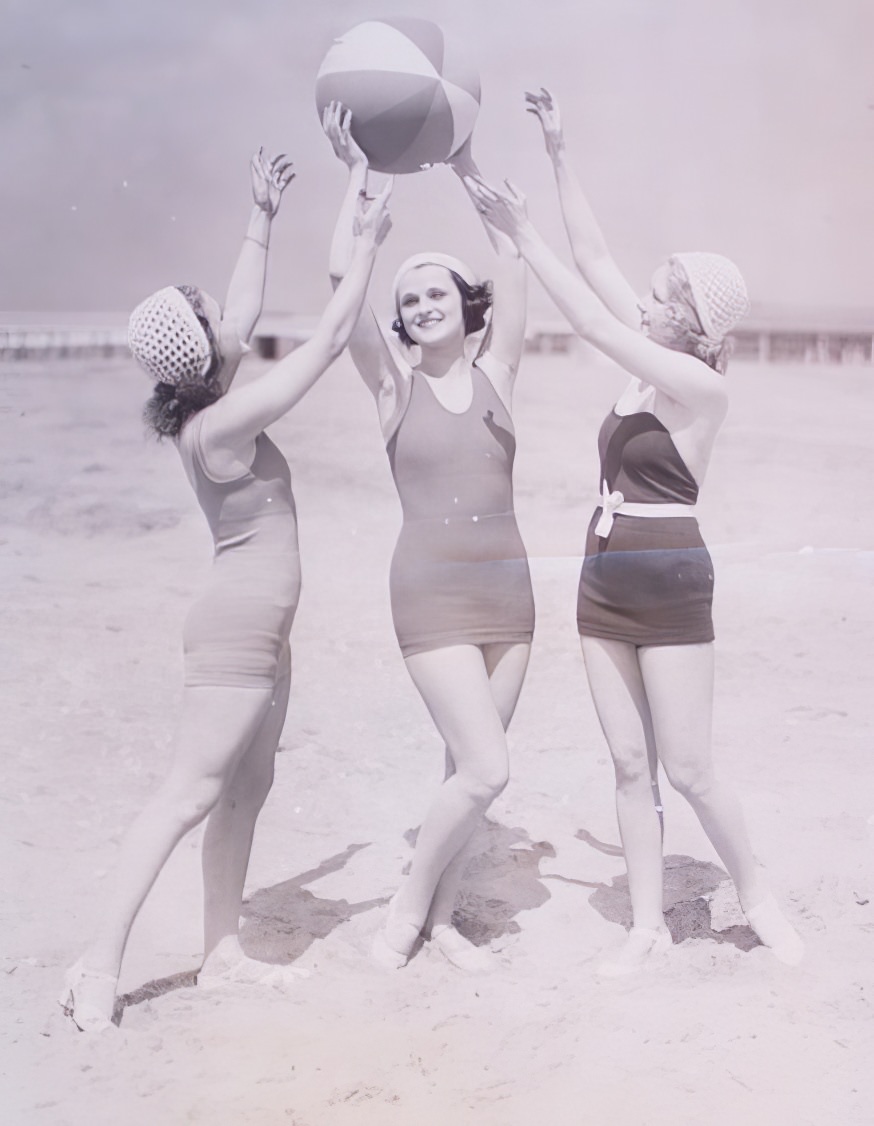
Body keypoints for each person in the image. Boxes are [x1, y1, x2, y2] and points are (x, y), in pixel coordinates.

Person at [465, 88, 803, 974]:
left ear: (688, 321)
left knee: (689, 768)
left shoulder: (701, 387)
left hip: (671, 579)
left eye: (656, 297)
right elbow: (595, 255)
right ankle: (647, 925)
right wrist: (559, 151)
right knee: (626, 765)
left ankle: (758, 898)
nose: (641, 301)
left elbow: (583, 311)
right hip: (603, 573)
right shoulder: (652, 350)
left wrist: (520, 234)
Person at [59, 151, 391, 1031]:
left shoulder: (203, 402)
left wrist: (262, 218)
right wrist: (365, 244)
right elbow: (320, 345)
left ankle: (221, 956)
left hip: (263, 627)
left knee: (246, 791)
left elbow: (240, 314)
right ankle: (97, 967)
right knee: (189, 793)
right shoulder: (223, 424)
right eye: (207, 317)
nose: (224, 315)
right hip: (236, 629)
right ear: (198, 351)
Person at [322, 102, 534, 972]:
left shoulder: (500, 374)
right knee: (489, 769)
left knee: (464, 775)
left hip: (511, 601)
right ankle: (406, 918)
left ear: (462, 303)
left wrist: (467, 155)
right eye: (408, 302)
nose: (418, 306)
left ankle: (444, 925)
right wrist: (355, 181)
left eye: (434, 292)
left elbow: (516, 258)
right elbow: (342, 286)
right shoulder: (391, 392)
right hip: (430, 600)